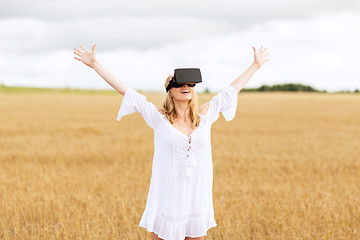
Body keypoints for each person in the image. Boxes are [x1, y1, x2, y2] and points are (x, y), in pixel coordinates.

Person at [74, 44, 269, 240]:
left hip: (196, 197)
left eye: (190, 85)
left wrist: (255, 65)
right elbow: (126, 91)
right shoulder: (158, 118)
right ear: (170, 91)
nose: (186, 87)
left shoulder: (205, 116)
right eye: (180, 84)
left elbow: (230, 91)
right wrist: (95, 64)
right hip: (168, 199)